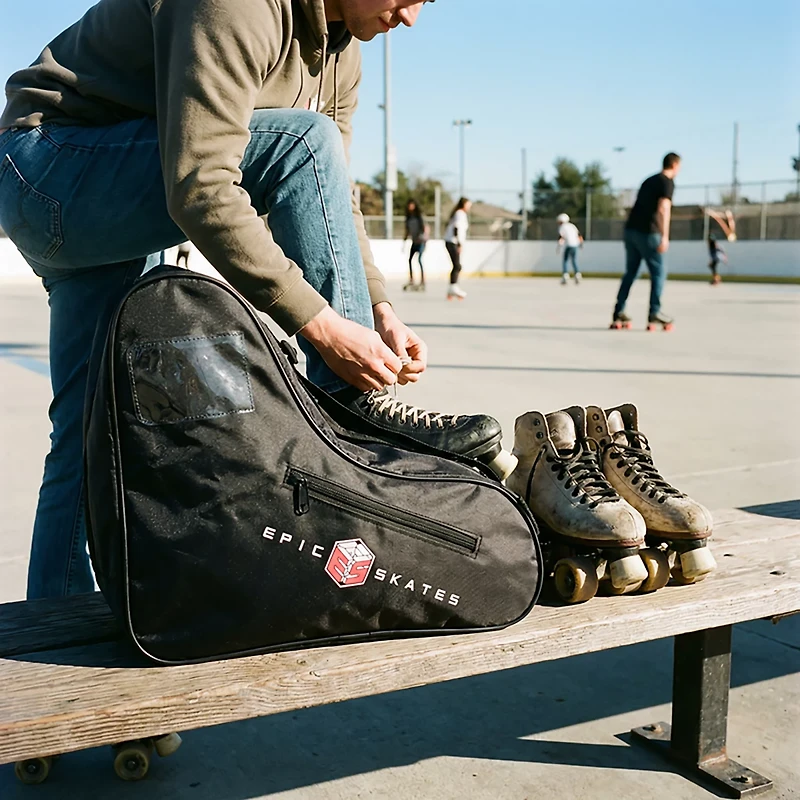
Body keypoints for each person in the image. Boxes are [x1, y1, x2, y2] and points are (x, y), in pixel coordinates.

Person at [0, 0, 517, 601]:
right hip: (52, 166)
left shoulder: (342, 48)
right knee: (304, 139)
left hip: (104, 180)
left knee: (92, 424)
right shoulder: (237, 4)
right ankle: (351, 402)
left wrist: (378, 308)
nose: (410, 19)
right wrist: (321, 326)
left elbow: (330, 195)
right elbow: (202, 185)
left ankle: (53, 624)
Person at [611, 153, 681, 330]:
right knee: (658, 272)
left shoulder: (648, 180)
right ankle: (654, 312)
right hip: (649, 232)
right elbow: (664, 208)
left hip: (631, 230)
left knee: (631, 272)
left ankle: (619, 311)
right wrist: (665, 236)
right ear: (674, 165)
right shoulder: (667, 182)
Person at [444, 197, 471, 300]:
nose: (469, 207)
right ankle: (453, 288)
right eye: (468, 205)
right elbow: (457, 228)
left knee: (456, 266)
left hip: (451, 241)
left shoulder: (458, 213)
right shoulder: (460, 213)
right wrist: (459, 243)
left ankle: (452, 288)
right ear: (464, 204)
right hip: (453, 242)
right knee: (457, 266)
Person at [403, 199, 428, 291]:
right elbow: (407, 230)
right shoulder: (409, 218)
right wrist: (404, 240)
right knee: (410, 259)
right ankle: (411, 279)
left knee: (419, 259)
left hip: (421, 241)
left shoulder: (419, 217)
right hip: (414, 241)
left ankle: (422, 280)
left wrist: (423, 238)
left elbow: (425, 228)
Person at [556, 213, 584, 285]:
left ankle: (565, 274)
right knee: (574, 260)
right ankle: (577, 274)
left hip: (568, 245)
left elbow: (561, 237)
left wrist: (558, 247)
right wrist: (581, 244)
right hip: (575, 245)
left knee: (565, 260)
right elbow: (579, 235)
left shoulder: (562, 227)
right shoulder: (572, 226)